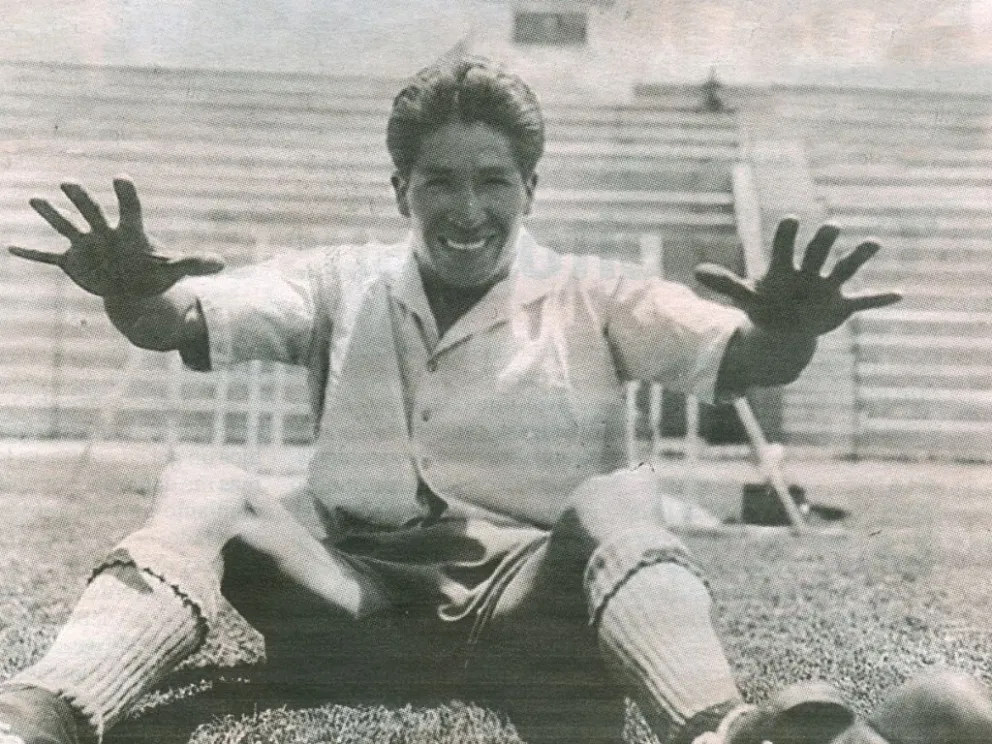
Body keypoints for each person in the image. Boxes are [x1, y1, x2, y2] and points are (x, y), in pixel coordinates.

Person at [1, 56, 990, 744]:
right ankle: (47, 709)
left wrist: (787, 331)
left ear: (530, 187)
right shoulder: (341, 279)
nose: (465, 208)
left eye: (491, 181)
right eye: (439, 181)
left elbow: (738, 361)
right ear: (400, 189)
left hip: (529, 616)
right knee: (202, 481)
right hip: (346, 600)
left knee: (618, 497)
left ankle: (717, 730)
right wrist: (134, 290)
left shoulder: (596, 291)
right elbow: (184, 316)